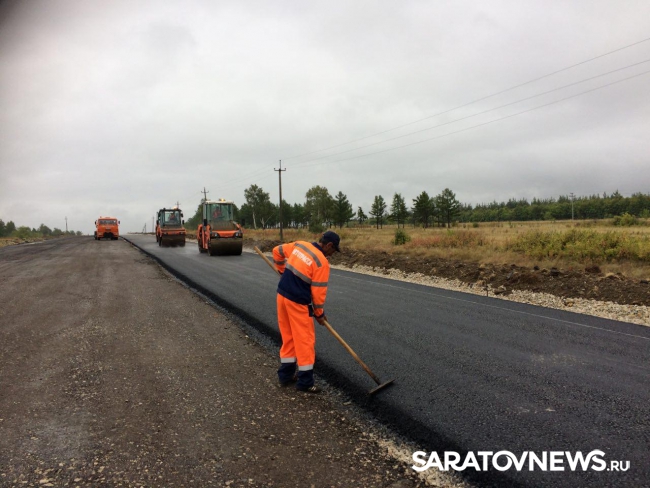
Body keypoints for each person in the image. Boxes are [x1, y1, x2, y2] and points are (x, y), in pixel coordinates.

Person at [272, 231, 340, 393]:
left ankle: (285, 375)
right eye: (333, 250)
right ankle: (305, 382)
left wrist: (282, 271)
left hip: (282, 296)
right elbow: (318, 293)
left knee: (288, 337)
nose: (332, 254)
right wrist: (319, 314)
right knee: (305, 340)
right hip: (297, 302)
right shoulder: (321, 262)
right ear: (329, 245)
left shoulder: (300, 245)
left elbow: (276, 251)